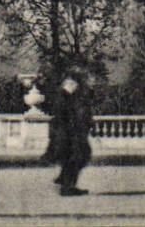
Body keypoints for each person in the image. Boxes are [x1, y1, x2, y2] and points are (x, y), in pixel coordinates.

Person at [43, 69, 93, 197]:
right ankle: (67, 186)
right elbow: (65, 117)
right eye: (73, 84)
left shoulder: (69, 96)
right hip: (68, 134)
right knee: (77, 157)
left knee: (78, 157)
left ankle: (66, 182)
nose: (75, 86)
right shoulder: (64, 97)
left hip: (69, 133)